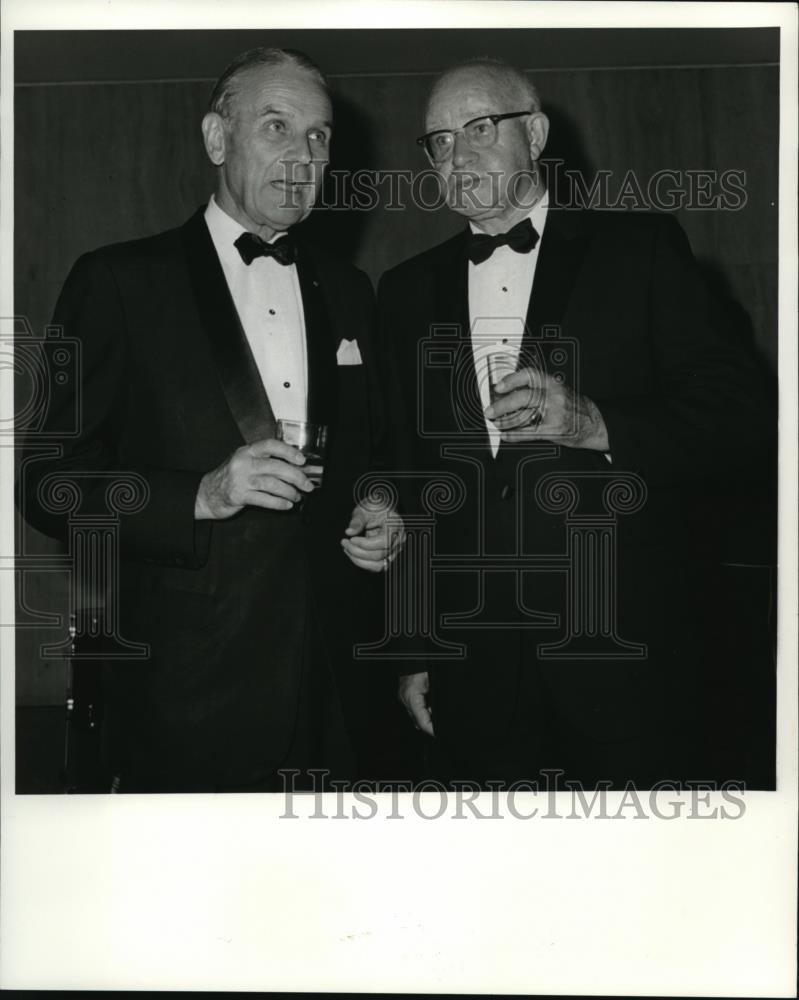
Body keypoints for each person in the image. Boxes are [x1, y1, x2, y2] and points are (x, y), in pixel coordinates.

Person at [378, 58, 773, 788]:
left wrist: (595, 423)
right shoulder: (402, 293)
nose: (456, 156)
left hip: (626, 659)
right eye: (436, 141)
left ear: (535, 133)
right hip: (473, 672)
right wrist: (413, 649)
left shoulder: (642, 251)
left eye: (479, 128)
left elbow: (743, 423)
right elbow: (411, 484)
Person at [20, 47, 397, 793]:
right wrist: (201, 493)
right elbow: (48, 485)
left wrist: (381, 507)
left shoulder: (352, 290)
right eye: (276, 126)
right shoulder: (119, 282)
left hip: (337, 685)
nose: (302, 155)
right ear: (217, 139)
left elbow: (374, 453)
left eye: (319, 136)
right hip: (188, 696)